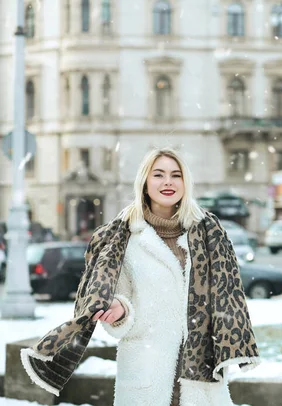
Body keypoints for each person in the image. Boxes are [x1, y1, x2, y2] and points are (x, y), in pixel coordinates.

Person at [21, 147, 260, 406]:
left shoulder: (208, 233)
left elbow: (226, 299)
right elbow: (120, 301)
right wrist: (120, 310)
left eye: (175, 175)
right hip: (146, 373)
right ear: (145, 183)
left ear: (185, 182)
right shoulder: (124, 238)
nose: (167, 182)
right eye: (158, 175)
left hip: (202, 379)